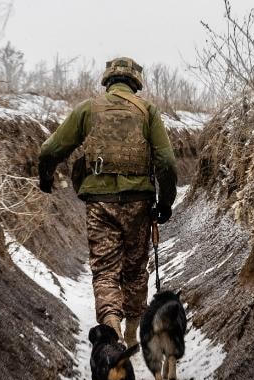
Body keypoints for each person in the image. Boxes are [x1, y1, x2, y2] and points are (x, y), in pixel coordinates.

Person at [38, 57, 178, 347]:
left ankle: (110, 319)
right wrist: (165, 204)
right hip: (139, 204)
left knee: (105, 270)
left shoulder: (88, 109)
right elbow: (166, 162)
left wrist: (46, 178)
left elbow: (50, 149)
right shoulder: (148, 111)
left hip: (100, 205)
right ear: (136, 83)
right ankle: (131, 329)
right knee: (135, 270)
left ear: (108, 80)